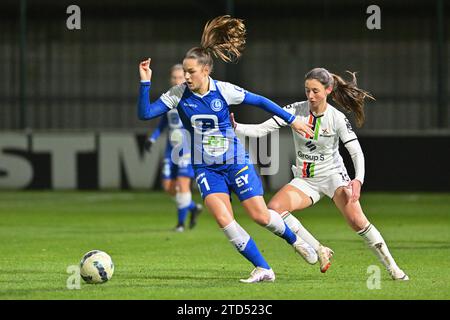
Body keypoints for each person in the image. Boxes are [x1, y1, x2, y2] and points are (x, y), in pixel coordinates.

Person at [137, 15, 318, 283]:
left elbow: (261, 101)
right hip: (205, 167)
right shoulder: (177, 94)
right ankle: (264, 268)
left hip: (234, 161)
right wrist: (145, 83)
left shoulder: (224, 91)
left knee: (259, 215)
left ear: (206, 71)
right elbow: (146, 113)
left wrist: (292, 120)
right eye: (184, 72)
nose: (186, 76)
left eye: (191, 72)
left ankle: (295, 241)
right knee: (224, 219)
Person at [232, 67, 409, 280]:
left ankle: (393, 268)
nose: (310, 96)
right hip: (305, 179)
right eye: (307, 90)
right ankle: (318, 249)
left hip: (334, 176)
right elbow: (261, 130)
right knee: (275, 209)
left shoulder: (336, 118)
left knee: (357, 221)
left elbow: (356, 152)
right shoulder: (295, 110)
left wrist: (358, 180)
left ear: (328, 90)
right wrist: (236, 127)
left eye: (315, 91)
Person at [145, 64, 203, 232]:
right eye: (174, 77)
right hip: (170, 151)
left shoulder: (192, 98)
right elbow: (163, 124)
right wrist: (153, 139)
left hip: (187, 150)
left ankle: (180, 224)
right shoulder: (169, 99)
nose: (177, 80)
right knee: (169, 187)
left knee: (183, 185)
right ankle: (192, 207)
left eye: (180, 77)